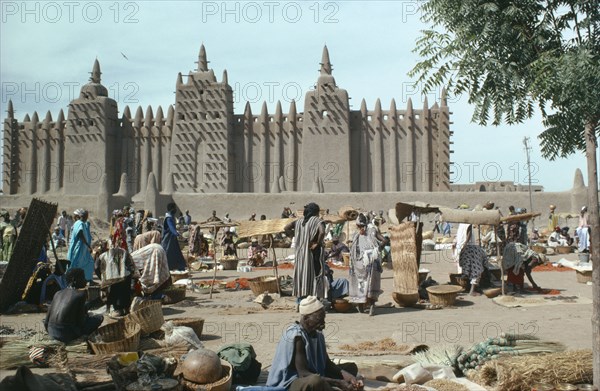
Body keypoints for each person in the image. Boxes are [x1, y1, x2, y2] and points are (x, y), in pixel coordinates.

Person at [266, 296, 362, 391]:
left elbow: (327, 363)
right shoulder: (297, 336)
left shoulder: (317, 333)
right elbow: (303, 373)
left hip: (314, 373)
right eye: (318, 319)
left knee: (350, 368)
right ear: (306, 318)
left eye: (323, 319)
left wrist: (349, 377)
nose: (323, 324)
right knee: (315, 381)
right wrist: (337, 382)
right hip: (291, 382)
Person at [284, 203, 327, 308]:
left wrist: (296, 235)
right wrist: (317, 243)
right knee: (315, 275)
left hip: (300, 254)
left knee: (301, 276)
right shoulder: (317, 221)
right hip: (313, 253)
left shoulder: (298, 222)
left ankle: (300, 304)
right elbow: (322, 232)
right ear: (315, 212)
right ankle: (314, 303)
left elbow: (286, 228)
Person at [44, 268, 103, 343]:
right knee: (99, 318)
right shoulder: (80, 294)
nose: (85, 280)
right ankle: (84, 339)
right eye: (83, 278)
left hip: (51, 331)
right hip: (66, 334)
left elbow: (46, 321)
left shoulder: (58, 293)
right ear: (74, 280)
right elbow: (80, 322)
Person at [348, 213, 385, 316]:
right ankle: (362, 306)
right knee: (362, 285)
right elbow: (353, 249)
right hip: (359, 265)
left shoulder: (372, 231)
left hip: (370, 264)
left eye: (361, 226)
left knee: (369, 285)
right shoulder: (357, 234)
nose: (360, 228)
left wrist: (375, 251)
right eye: (359, 226)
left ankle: (371, 307)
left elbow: (384, 240)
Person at [94, 240, 138, 316]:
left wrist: (102, 277)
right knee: (124, 293)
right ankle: (126, 309)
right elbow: (131, 265)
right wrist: (130, 275)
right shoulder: (124, 252)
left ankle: (117, 309)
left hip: (110, 278)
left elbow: (96, 267)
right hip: (125, 276)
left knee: (113, 293)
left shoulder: (103, 255)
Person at [453, 222, 489, 296]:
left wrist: (461, 247)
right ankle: (472, 291)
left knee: (467, 270)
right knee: (476, 270)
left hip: (463, 249)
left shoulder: (460, 225)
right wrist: (465, 245)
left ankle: (468, 288)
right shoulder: (467, 224)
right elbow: (468, 233)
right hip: (470, 248)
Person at [67, 209, 95, 282]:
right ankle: (75, 279)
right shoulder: (80, 223)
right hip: (79, 248)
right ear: (85, 216)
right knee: (78, 264)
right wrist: (88, 245)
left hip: (82, 248)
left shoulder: (81, 223)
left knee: (89, 262)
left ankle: (86, 278)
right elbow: (80, 234)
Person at [161, 203, 187, 271]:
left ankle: (180, 269)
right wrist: (177, 234)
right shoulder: (168, 218)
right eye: (174, 208)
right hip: (168, 240)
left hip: (172, 240)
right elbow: (172, 228)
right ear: (172, 209)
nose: (175, 210)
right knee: (167, 255)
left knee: (176, 254)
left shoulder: (171, 217)